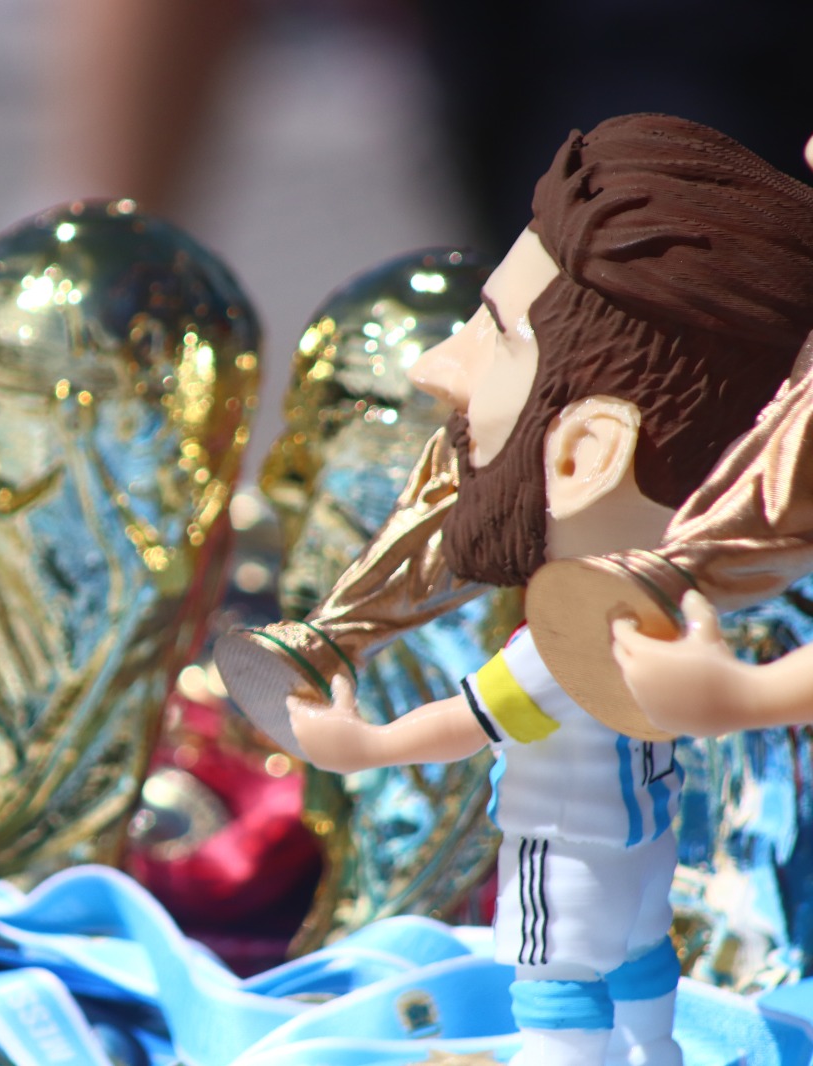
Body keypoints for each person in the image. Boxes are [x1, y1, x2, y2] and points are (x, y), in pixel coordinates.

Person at [271, 114, 813, 1065]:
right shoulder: (644, 623)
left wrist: (361, 745)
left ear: (588, 451)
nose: (432, 369)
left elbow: (472, 722)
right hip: (644, 848)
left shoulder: (573, 638)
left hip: (566, 849)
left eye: (487, 334)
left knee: (555, 984)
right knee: (644, 960)